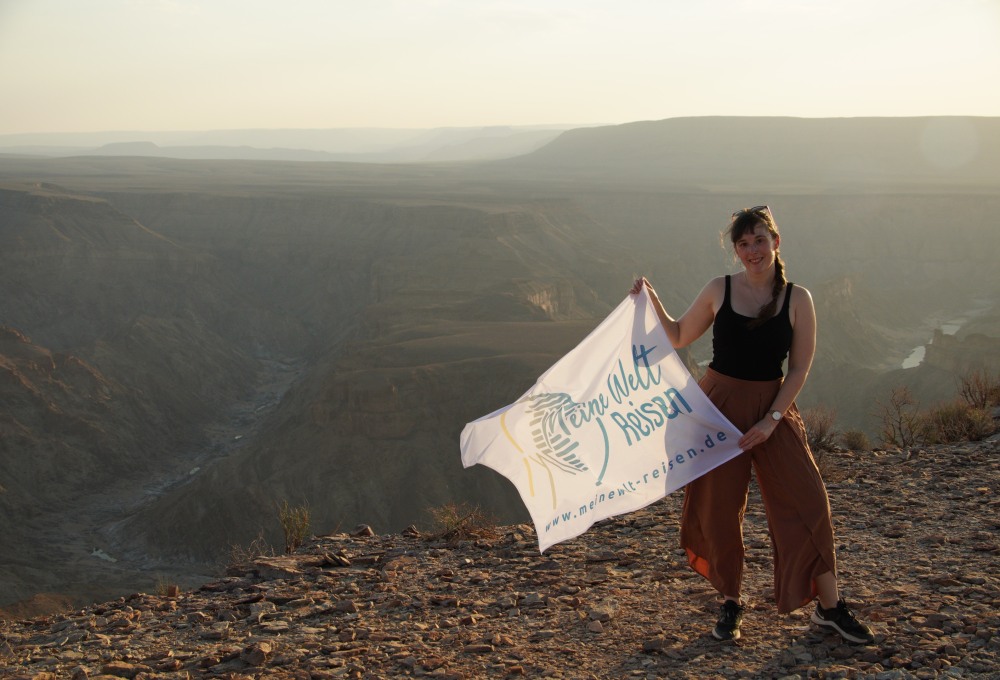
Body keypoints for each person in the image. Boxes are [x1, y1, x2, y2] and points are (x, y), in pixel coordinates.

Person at [630, 205, 874, 644]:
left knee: (810, 502)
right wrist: (651, 302)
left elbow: (799, 368)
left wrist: (771, 419)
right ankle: (731, 602)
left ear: (776, 242)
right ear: (736, 250)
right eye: (743, 244)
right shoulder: (718, 290)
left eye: (759, 240)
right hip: (717, 405)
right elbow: (680, 335)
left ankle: (830, 607)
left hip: (773, 406)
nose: (752, 251)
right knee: (719, 508)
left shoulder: (798, 299)